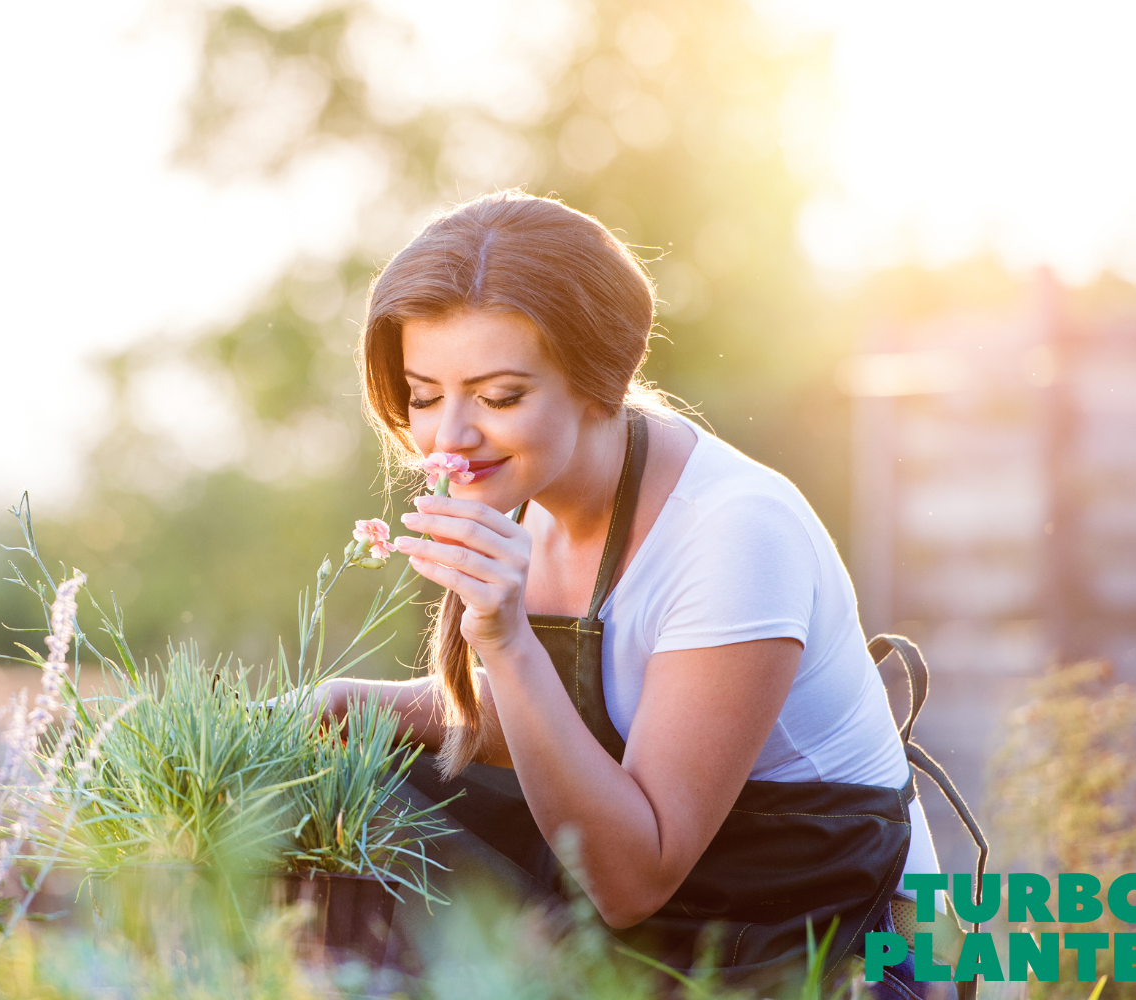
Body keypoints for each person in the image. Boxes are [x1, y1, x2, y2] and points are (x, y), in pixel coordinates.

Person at [311, 190, 948, 995]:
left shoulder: (733, 534)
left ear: (595, 378)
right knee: (329, 803)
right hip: (676, 935)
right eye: (426, 394)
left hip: (824, 955)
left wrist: (503, 637)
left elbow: (631, 879)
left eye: (500, 396)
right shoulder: (532, 501)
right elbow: (533, 724)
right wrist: (335, 705)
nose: (450, 436)